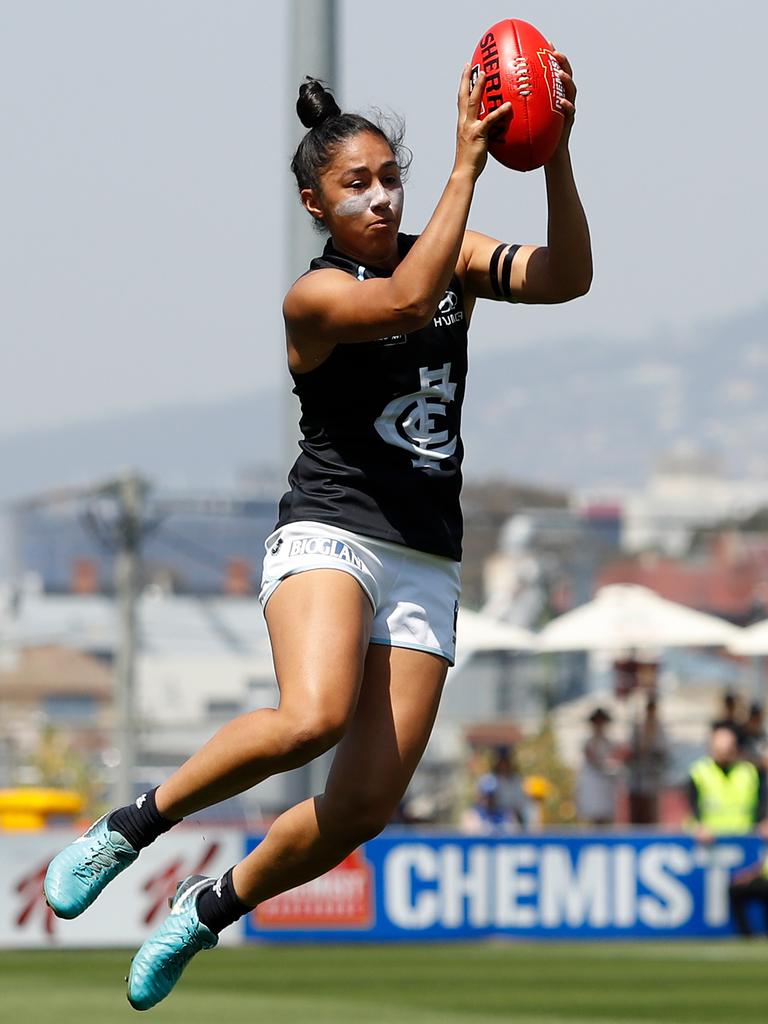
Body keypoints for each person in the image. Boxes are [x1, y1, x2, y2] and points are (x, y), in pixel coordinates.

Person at [44, 60, 591, 1009]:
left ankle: (208, 908)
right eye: (356, 184)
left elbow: (569, 279)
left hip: (426, 554)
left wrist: (552, 156)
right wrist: (468, 164)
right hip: (333, 530)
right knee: (312, 717)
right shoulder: (314, 296)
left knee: (360, 810)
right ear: (314, 203)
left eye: (391, 179)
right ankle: (132, 825)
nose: (381, 198)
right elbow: (408, 304)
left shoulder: (450, 253)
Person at [687, 727, 768, 843]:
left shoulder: (749, 772)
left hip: (745, 840)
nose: (725, 754)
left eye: (728, 750)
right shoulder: (699, 772)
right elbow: (690, 807)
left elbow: (762, 801)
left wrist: (764, 822)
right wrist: (698, 827)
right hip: (710, 842)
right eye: (720, 750)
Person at [625, 697, 669, 825]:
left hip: (653, 778)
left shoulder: (660, 730)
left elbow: (664, 752)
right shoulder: (638, 729)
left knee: (653, 812)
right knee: (637, 813)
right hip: (637, 779)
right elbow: (630, 751)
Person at [575, 707, 622, 826]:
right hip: (593, 784)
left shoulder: (610, 742)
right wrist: (607, 765)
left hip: (606, 786)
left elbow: (617, 758)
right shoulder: (588, 742)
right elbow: (594, 760)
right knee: (594, 816)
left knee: (607, 817)